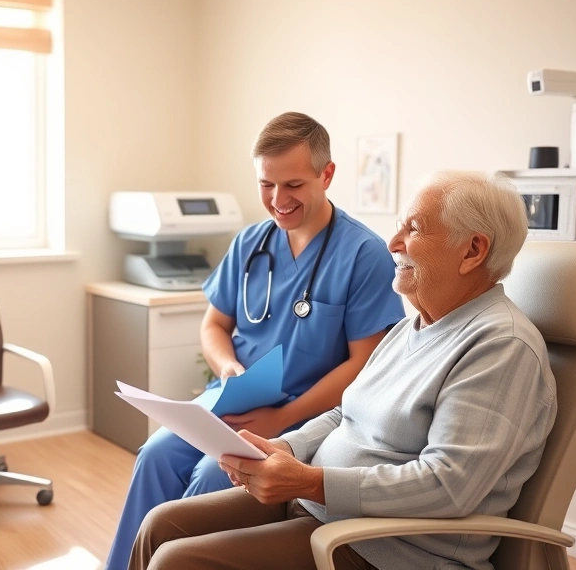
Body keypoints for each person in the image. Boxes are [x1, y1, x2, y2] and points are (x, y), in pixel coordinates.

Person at [129, 170, 557, 570]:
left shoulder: (501, 346)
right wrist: (287, 448)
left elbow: (449, 485)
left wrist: (312, 483)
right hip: (321, 509)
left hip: (388, 546)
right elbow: (345, 413)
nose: (393, 242)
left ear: (473, 251)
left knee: (176, 561)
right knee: (160, 525)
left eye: (413, 229)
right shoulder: (414, 328)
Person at [106, 112, 407, 570]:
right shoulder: (250, 244)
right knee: (154, 456)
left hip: (305, 416)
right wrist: (227, 368)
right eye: (267, 185)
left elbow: (363, 364)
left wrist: (281, 416)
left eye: (293, 185)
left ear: (327, 175)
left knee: (212, 475)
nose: (278, 200)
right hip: (229, 402)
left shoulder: (364, 254)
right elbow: (214, 326)